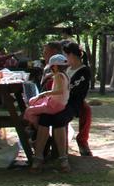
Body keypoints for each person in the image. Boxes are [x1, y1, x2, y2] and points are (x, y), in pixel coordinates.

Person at [33, 41, 91, 173]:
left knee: (59, 119)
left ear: (71, 55)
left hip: (71, 104)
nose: (63, 59)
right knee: (44, 118)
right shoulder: (66, 69)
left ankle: (62, 159)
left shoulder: (84, 71)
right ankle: (38, 157)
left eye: (65, 55)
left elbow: (72, 91)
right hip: (57, 102)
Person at [23, 54, 69, 126]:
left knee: (28, 111)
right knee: (32, 100)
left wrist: (44, 93)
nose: (51, 69)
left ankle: (38, 129)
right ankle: (35, 122)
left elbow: (60, 91)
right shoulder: (63, 74)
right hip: (55, 102)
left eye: (51, 67)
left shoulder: (59, 76)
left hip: (55, 105)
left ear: (55, 66)